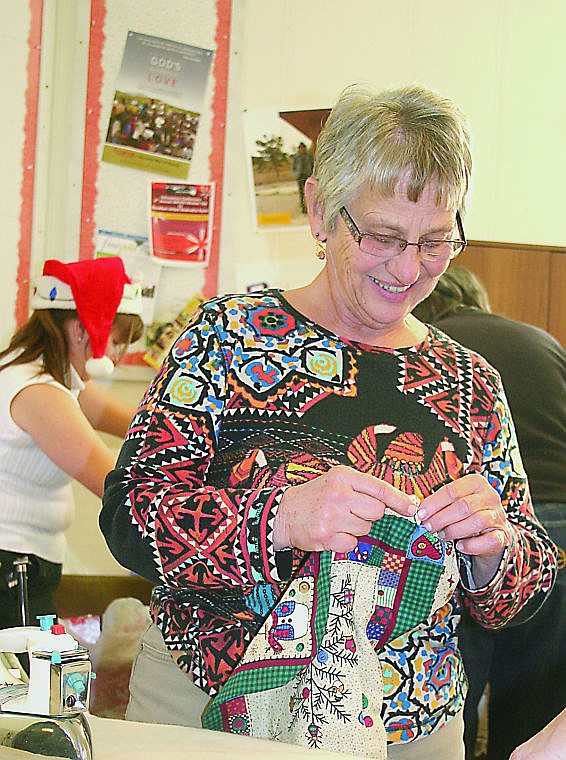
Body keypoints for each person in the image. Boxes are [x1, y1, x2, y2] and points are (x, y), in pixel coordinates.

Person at [100, 84, 557, 760]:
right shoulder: (229, 337)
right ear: (320, 210)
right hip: (206, 711)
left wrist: (492, 557)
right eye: (382, 236)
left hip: (410, 729)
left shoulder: (472, 384)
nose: (409, 268)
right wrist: (280, 519)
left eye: (436, 241)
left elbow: (524, 587)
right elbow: (130, 516)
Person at [413, 267, 565, 760]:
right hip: (559, 529)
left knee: (461, 678)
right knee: (537, 705)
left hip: (487, 526)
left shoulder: (436, 352)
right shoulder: (541, 340)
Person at [0, 256, 144, 630]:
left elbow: (144, 428)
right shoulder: (39, 394)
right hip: (11, 568)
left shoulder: (51, 377)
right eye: (116, 341)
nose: (117, 355)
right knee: (22, 686)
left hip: (24, 565)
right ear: (82, 330)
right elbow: (117, 485)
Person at [292, 141, 314, 213]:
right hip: (300, 176)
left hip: (308, 176)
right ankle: (303, 207)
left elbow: (313, 165)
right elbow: (293, 167)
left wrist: (312, 174)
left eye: (303, 148)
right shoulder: (296, 157)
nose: (302, 150)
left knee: (309, 192)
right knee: (301, 193)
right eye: (301, 148)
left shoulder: (309, 156)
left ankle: (310, 208)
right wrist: (295, 174)